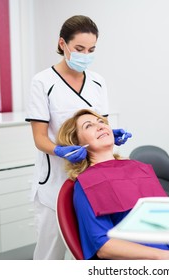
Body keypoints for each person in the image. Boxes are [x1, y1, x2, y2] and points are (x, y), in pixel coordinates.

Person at [25, 15, 131, 260]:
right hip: (55, 181)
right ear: (63, 44)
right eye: (79, 49)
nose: (86, 54)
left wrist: (111, 134)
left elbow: (100, 123)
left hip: (90, 180)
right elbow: (40, 138)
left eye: (92, 49)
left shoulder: (97, 82)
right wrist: (60, 149)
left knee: (86, 253)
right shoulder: (43, 82)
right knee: (49, 255)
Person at [56, 108, 169, 260]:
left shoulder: (138, 167)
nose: (100, 126)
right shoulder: (86, 185)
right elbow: (103, 247)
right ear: (75, 143)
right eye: (88, 126)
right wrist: (166, 257)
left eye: (101, 121)